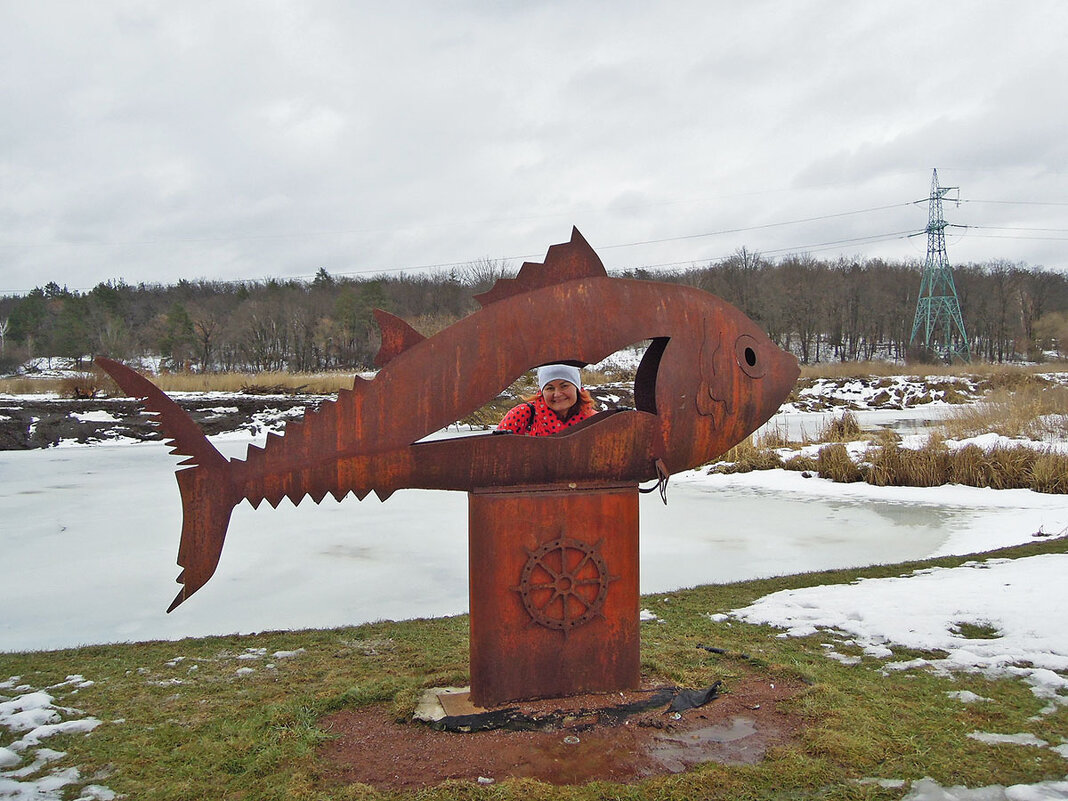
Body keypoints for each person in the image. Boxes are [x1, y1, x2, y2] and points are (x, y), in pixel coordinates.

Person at [497, 364, 598, 436]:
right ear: (542, 391)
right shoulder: (522, 415)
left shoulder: (595, 421)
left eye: (564, 386)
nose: (557, 394)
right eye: (550, 388)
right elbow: (497, 451)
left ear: (577, 387)